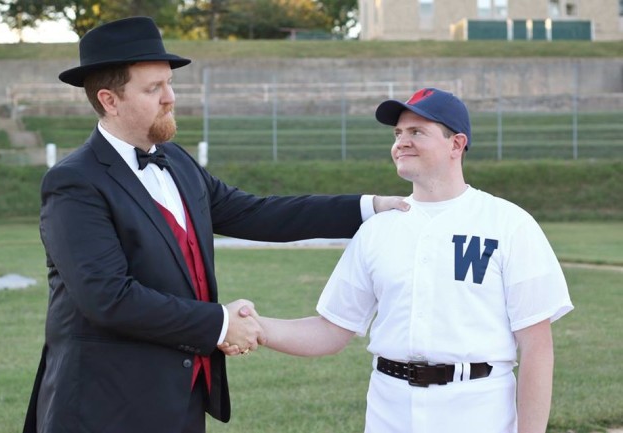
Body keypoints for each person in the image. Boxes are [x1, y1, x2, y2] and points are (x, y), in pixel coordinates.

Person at [21, 16, 408, 433]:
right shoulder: (74, 182)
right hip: (103, 404)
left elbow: (255, 212)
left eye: (169, 83)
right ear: (109, 100)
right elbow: (108, 298)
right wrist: (221, 324)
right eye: (153, 89)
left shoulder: (178, 161)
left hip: (180, 396)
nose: (170, 97)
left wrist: (369, 207)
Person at [247, 88, 574, 433]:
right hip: (390, 410)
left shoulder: (508, 223)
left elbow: (537, 347)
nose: (402, 141)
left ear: (456, 144)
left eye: (417, 132)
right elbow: (331, 330)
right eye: (398, 133)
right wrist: (255, 327)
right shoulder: (379, 228)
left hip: (479, 409)